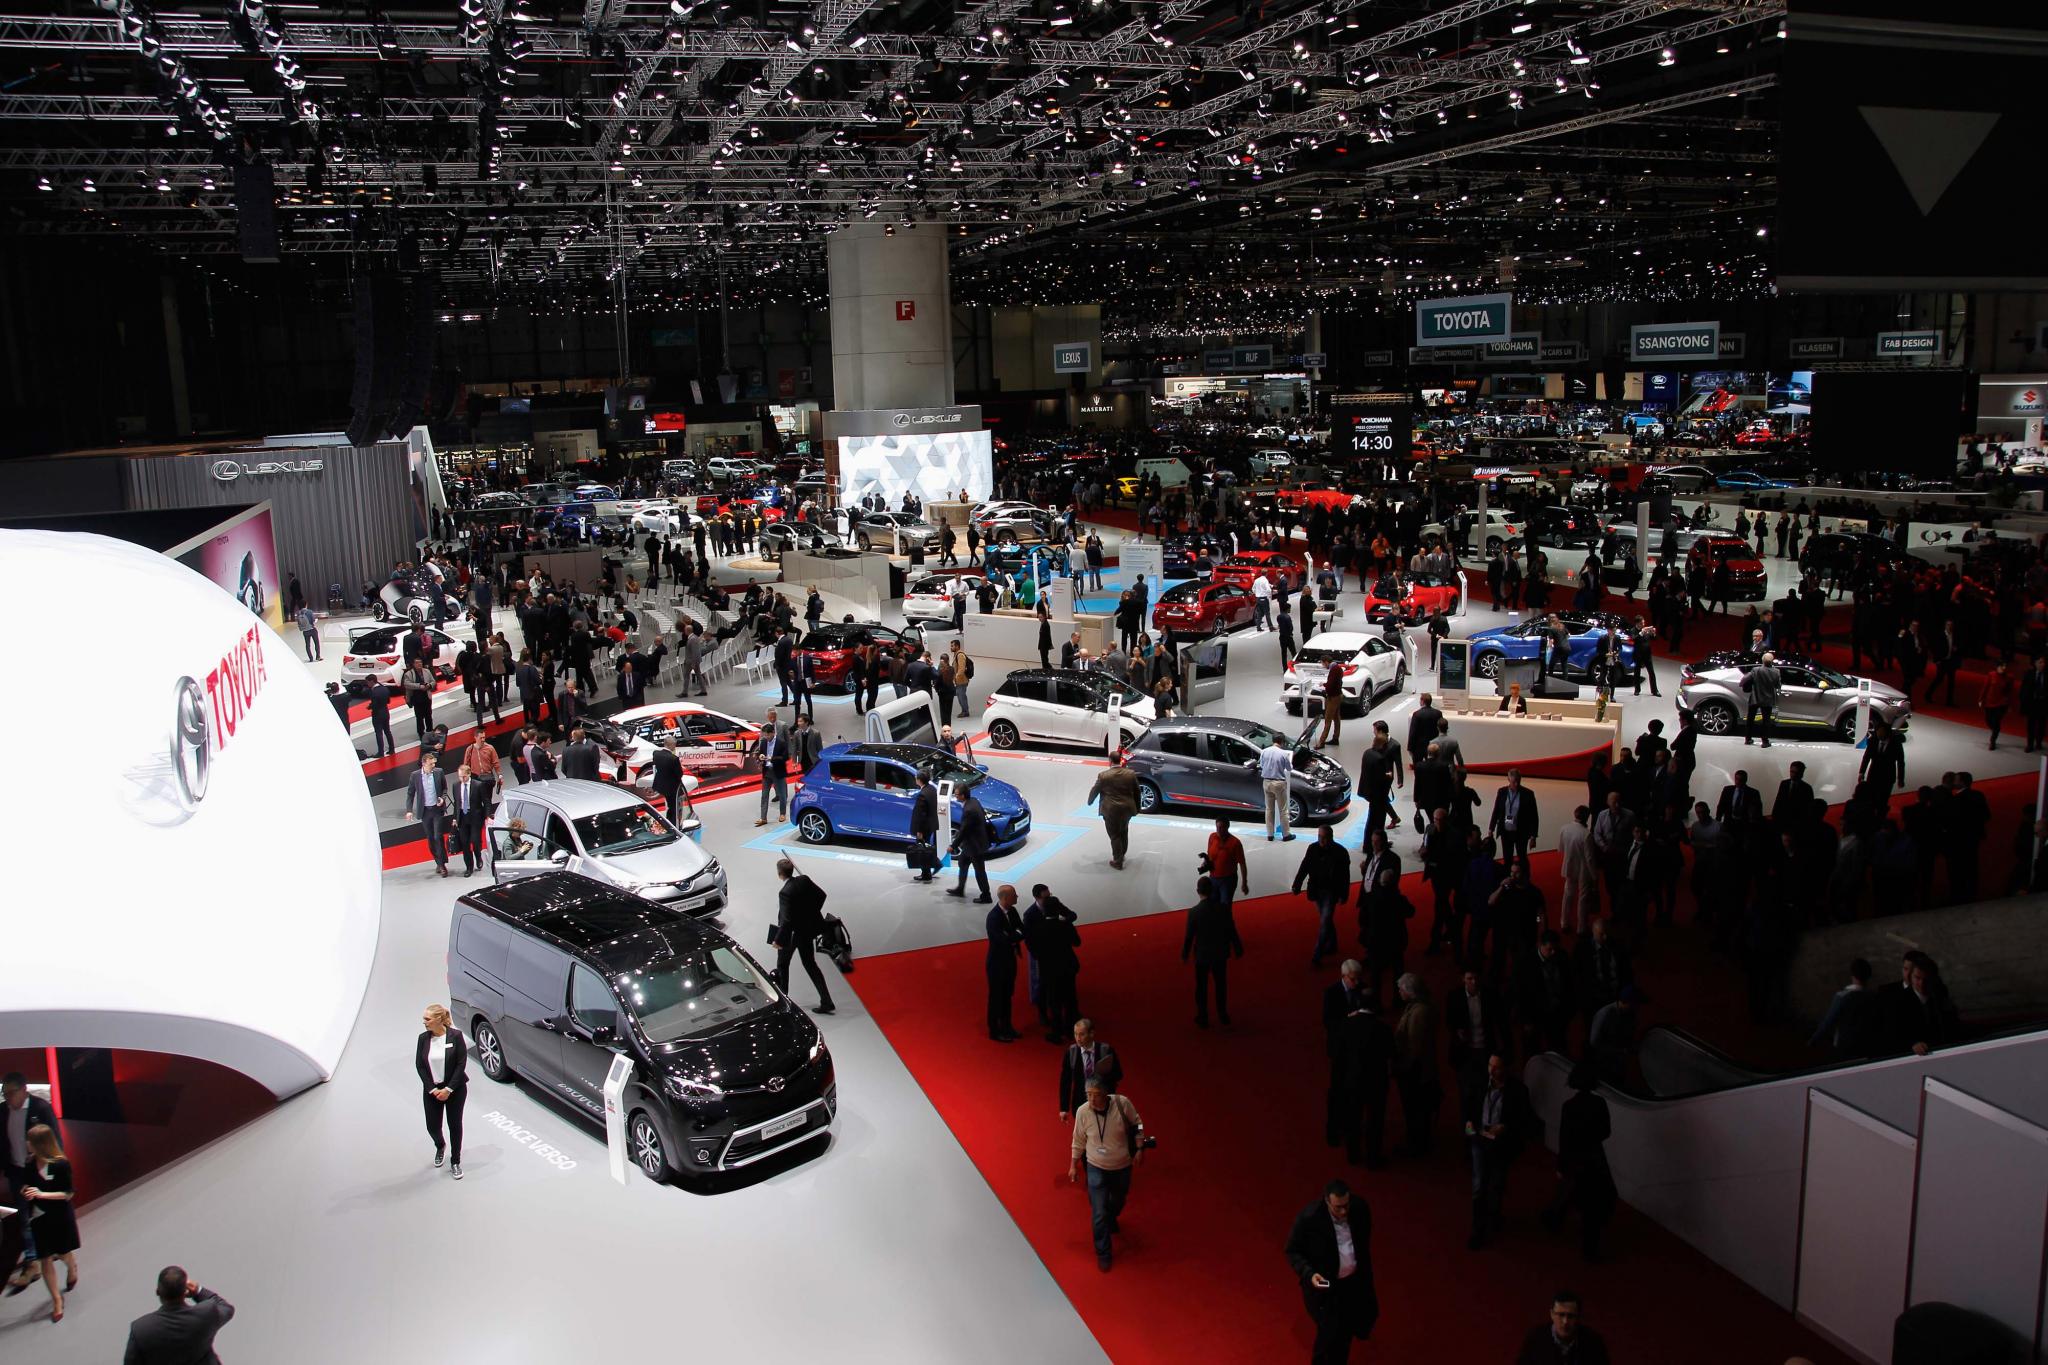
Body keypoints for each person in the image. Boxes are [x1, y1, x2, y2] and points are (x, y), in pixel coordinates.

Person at [1284, 1180, 1379, 1365]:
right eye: (1338, 1208)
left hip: (1352, 1284)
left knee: (1345, 1333)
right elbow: (1292, 1250)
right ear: (1327, 1201)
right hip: (1325, 1285)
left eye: (1346, 1205)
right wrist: (1309, 1274)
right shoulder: (1309, 1219)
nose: (1343, 1212)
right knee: (1329, 1334)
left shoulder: (1360, 1209)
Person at [1068, 1075, 1144, 1271]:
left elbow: (1138, 1123)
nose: (1092, 1099)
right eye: (1088, 1095)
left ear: (1106, 1094)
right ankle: (1103, 1252)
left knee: (1118, 1200)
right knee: (1098, 1212)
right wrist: (1073, 1165)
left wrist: (1140, 1147)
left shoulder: (1122, 1104)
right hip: (1096, 1167)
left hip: (1122, 1166)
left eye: (1096, 1095)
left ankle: (1112, 1217)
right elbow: (1078, 1140)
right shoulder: (1083, 1112)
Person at [1541, 1066, 1616, 1262]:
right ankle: (1589, 1249)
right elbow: (1606, 1131)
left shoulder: (1569, 1106)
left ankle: (1554, 1220)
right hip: (1594, 1159)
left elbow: (1564, 1138)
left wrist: (1561, 1166)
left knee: (1571, 1192)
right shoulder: (1599, 1103)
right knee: (1593, 1204)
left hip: (1575, 1159)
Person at [1464, 1052, 1535, 1249]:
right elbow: (1469, 1108)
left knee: (1496, 1183)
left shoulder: (1518, 1091)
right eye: (1490, 1065)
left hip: (1501, 1145)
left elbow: (1525, 1119)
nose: (1491, 1070)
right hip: (1480, 1140)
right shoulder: (1479, 1083)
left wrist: (1506, 1128)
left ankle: (1493, 1217)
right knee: (1479, 1186)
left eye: (1496, 1067)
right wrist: (1469, 1128)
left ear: (1506, 1069)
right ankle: (1479, 1229)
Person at [14, 1123, 75, 1321]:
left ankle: (72, 1266)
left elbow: (67, 1194)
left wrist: (42, 1194)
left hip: (59, 1216)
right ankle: (57, 1299)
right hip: (38, 1217)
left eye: (30, 1140)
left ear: (40, 1143)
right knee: (45, 1258)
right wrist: (26, 1191)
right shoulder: (30, 1162)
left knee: (62, 1253)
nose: (27, 1143)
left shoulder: (60, 1164)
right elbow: (27, 1184)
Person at [124, 1267, 236, 1364]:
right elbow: (226, 1308)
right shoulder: (206, 1314)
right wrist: (198, 1291)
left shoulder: (141, 1329)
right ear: (185, 1291)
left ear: (158, 1292)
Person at [772, 857, 837, 1014]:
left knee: (782, 965)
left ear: (780, 874)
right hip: (807, 931)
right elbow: (822, 895)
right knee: (810, 964)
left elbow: (786, 920)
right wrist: (811, 913)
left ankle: (784, 1004)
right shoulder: (804, 880)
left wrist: (778, 940)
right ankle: (826, 1001)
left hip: (792, 935)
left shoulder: (784, 892)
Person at [1183, 874, 1245, 1027]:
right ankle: (1222, 1014)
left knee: (1201, 986)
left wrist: (1185, 953)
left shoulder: (1194, 912)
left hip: (1202, 954)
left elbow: (1189, 936)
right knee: (1221, 984)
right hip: (1220, 952)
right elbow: (1231, 929)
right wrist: (1237, 946)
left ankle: (1203, 1016)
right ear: (1212, 890)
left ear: (1198, 891)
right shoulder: (1223, 909)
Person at [415, 1003, 468, 1178]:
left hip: (455, 1090)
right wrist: (432, 1089)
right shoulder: (423, 1039)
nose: (424, 1022)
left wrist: (448, 1089)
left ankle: (455, 1161)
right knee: (432, 1126)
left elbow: (461, 1064)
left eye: (427, 1019)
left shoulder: (456, 1036)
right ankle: (440, 1145)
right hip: (432, 1091)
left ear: (439, 1019)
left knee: (455, 1126)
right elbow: (420, 1066)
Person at [1391, 973, 1439, 1157]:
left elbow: (1415, 1046)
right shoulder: (1419, 1007)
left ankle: (1417, 1144)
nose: (1399, 992)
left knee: (1415, 1109)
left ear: (1409, 991)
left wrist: (1404, 1067)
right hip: (1418, 1069)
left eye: (1401, 989)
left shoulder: (1418, 1012)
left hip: (1415, 1072)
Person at [1294, 824, 1351, 967]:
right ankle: (1332, 944)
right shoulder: (1313, 848)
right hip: (1316, 889)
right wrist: (1297, 883)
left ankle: (1317, 954)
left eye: (1324, 837)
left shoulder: (1340, 852)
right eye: (1319, 836)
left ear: (1331, 837)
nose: (1321, 840)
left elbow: (1345, 876)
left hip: (1331, 891)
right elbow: (1304, 866)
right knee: (1326, 919)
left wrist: (1344, 894)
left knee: (1325, 920)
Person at [1514, 1290, 1612, 1365]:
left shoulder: (1593, 1343)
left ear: (1578, 1317)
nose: (1565, 1322)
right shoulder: (1535, 1340)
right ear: (1552, 1314)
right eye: (1561, 1315)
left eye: (1571, 1316)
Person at [1058, 1018, 1121, 1119]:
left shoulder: (1106, 1051)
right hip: (1080, 1104)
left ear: (1091, 1033)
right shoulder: (1071, 1052)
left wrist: (1101, 1077)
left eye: (1081, 1034)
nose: (1078, 1038)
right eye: (1075, 1034)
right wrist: (1064, 1108)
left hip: (1103, 1103)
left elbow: (1118, 1074)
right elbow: (1065, 1081)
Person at [985, 884, 1025, 1042]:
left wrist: (1013, 936)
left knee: (1007, 995)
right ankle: (995, 1031)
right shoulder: (993, 917)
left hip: (1009, 962)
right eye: (1014, 895)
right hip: (997, 965)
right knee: (996, 998)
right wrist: (1015, 935)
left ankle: (1007, 1026)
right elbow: (1002, 940)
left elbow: (1022, 929)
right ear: (1005, 898)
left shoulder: (1012, 911)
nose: (1017, 896)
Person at [1087, 755, 1141, 869]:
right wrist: (1137, 808)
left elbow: (1095, 790)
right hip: (1127, 809)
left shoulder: (1103, 776)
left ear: (1110, 761)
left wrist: (1090, 801)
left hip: (1110, 810)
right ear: (1120, 760)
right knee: (1124, 831)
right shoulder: (1131, 774)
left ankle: (1118, 861)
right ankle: (1122, 854)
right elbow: (1137, 791)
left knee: (1115, 835)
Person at [403, 750, 452, 877]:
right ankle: (438, 862)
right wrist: (409, 810)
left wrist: (442, 798)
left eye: (434, 763)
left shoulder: (439, 772)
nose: (433, 766)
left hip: (437, 810)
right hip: (425, 812)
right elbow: (410, 794)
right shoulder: (415, 776)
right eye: (431, 764)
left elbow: (444, 788)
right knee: (430, 838)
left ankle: (442, 865)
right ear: (424, 764)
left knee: (438, 836)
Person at [948, 788, 994, 903]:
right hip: (973, 843)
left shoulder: (969, 810)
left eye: (957, 794)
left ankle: (986, 895)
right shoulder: (974, 801)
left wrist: (953, 846)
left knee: (979, 871)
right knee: (963, 862)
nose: (955, 796)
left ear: (963, 796)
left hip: (975, 846)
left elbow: (963, 831)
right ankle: (960, 888)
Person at [750, 709, 793, 828]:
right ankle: (763, 818)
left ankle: (782, 813)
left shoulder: (781, 742)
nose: (766, 737)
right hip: (767, 772)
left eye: (768, 735)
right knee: (764, 795)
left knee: (782, 794)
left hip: (778, 771)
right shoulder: (764, 742)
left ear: (773, 733)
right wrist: (760, 756)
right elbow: (761, 752)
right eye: (764, 734)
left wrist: (771, 758)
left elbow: (784, 757)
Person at [1557, 806, 1597, 933]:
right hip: (1583, 870)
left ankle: (1564, 922)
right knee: (1583, 898)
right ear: (1587, 817)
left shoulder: (1564, 828)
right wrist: (1594, 875)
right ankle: (1581, 927)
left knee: (1568, 895)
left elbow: (1561, 848)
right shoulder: (1586, 834)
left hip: (1569, 866)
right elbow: (1589, 858)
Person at [1489, 769, 1540, 864]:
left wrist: (1533, 836)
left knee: (1522, 856)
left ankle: (1524, 872)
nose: (1516, 784)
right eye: (1514, 782)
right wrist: (1491, 828)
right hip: (1506, 832)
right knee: (1507, 857)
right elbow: (1496, 811)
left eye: (1518, 781)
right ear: (1508, 780)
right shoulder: (1502, 792)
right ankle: (1507, 872)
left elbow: (1534, 816)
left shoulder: (1528, 794)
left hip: (1521, 832)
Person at [1203, 816, 1249, 911]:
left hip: (1228, 880)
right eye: (1217, 827)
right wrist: (1205, 863)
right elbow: (1209, 854)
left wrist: (1244, 882)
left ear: (1227, 827)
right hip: (1213, 878)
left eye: (1221, 827)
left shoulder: (1235, 843)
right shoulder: (1212, 837)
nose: (1219, 830)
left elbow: (1242, 864)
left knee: (1225, 908)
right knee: (1213, 906)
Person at [1260, 731, 1296, 842]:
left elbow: (1262, 765)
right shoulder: (1283, 754)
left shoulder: (1264, 752)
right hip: (1279, 783)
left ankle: (1270, 835)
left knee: (1269, 809)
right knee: (1283, 810)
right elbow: (1289, 768)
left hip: (1266, 782)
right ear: (1282, 741)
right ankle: (1286, 835)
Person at [1742, 649, 1782, 747]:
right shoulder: (1776, 672)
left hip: (1755, 697)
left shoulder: (1756, 670)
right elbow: (1778, 686)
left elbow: (1745, 679)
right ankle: (1765, 741)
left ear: (1762, 660)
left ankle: (1748, 739)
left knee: (1750, 719)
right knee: (1766, 721)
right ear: (1772, 661)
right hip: (1768, 699)